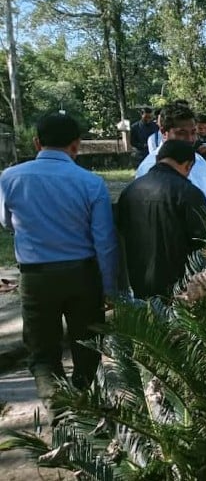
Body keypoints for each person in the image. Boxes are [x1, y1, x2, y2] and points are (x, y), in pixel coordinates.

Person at [0, 113, 118, 411]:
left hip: (36, 279)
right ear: (76, 146)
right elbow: (104, 241)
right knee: (88, 347)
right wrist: (109, 287)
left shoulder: (9, 178)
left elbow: (6, 223)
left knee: (42, 353)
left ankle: (59, 412)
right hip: (83, 275)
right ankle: (84, 405)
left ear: (37, 142)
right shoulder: (91, 183)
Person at [118, 140, 206, 299]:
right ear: (188, 166)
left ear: (157, 160)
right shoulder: (189, 192)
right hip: (181, 290)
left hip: (139, 284)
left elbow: (120, 237)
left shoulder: (129, 191)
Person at [135, 103, 206, 218]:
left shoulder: (200, 161)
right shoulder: (149, 168)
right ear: (164, 132)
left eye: (193, 132)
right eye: (182, 133)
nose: (190, 139)